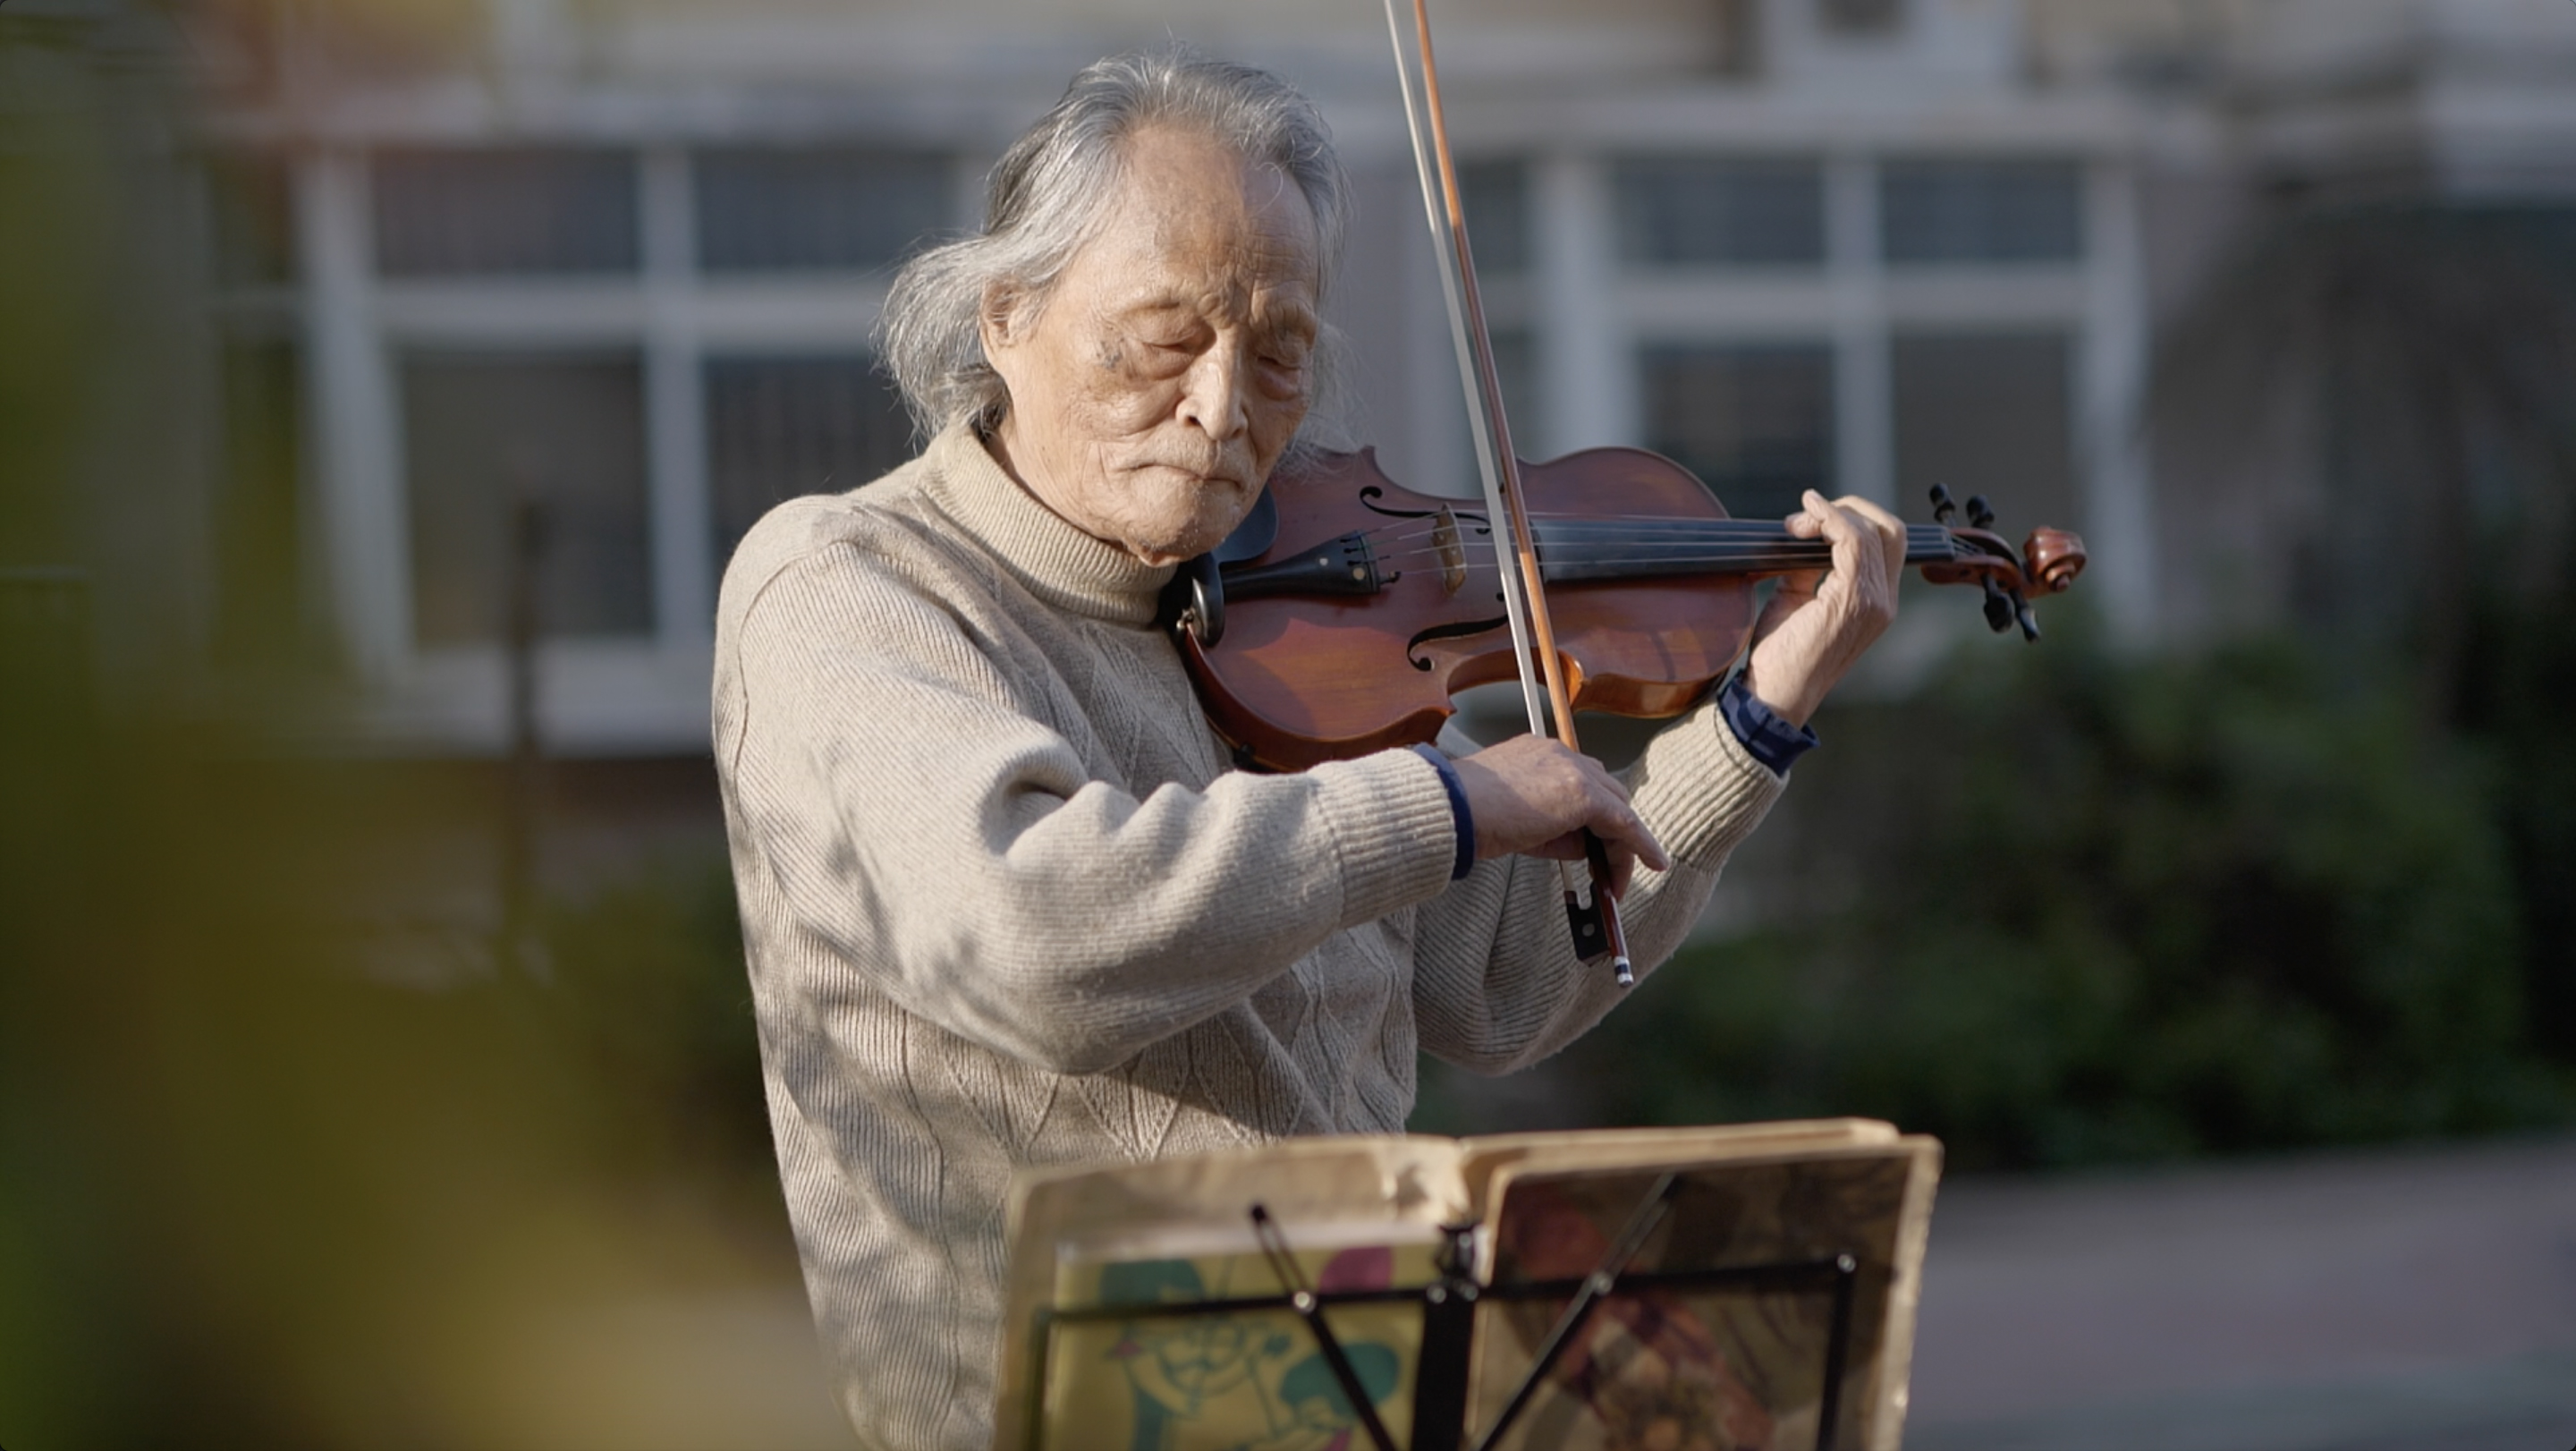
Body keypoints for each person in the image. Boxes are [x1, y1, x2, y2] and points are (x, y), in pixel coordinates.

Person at [710, 47, 1905, 1451]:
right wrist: (1445, 799)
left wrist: (1753, 716)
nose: (1226, 408)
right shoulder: (851, 585)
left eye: (1277, 352)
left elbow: (1504, 983)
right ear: (1006, 315)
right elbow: (1026, 927)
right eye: (1166, 337)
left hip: (1370, 1391)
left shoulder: (1305, 615)